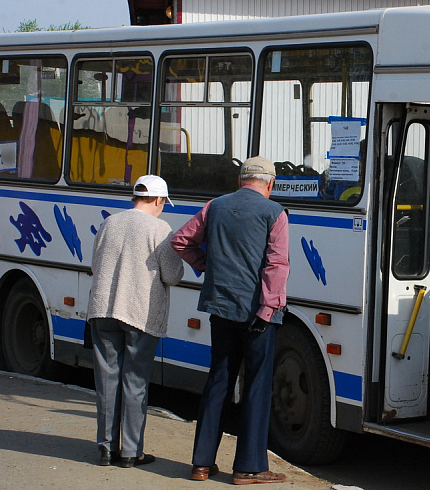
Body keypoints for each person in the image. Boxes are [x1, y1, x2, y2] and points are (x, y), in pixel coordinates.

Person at [171, 156, 290, 485]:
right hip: (257, 314)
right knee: (257, 387)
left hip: (220, 308)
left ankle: (201, 464)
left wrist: (207, 265)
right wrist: (268, 310)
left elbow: (181, 241)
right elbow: (276, 265)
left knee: (218, 381)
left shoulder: (214, 206)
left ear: (240, 181)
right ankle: (248, 468)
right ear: (270, 184)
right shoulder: (275, 213)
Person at [87, 174, 183, 468]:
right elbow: (172, 275)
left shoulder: (110, 222)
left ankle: (105, 449)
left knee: (106, 381)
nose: (163, 208)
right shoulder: (159, 228)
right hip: (138, 313)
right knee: (135, 382)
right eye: (163, 203)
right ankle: (130, 452)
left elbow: (95, 264)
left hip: (102, 310)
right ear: (157, 200)